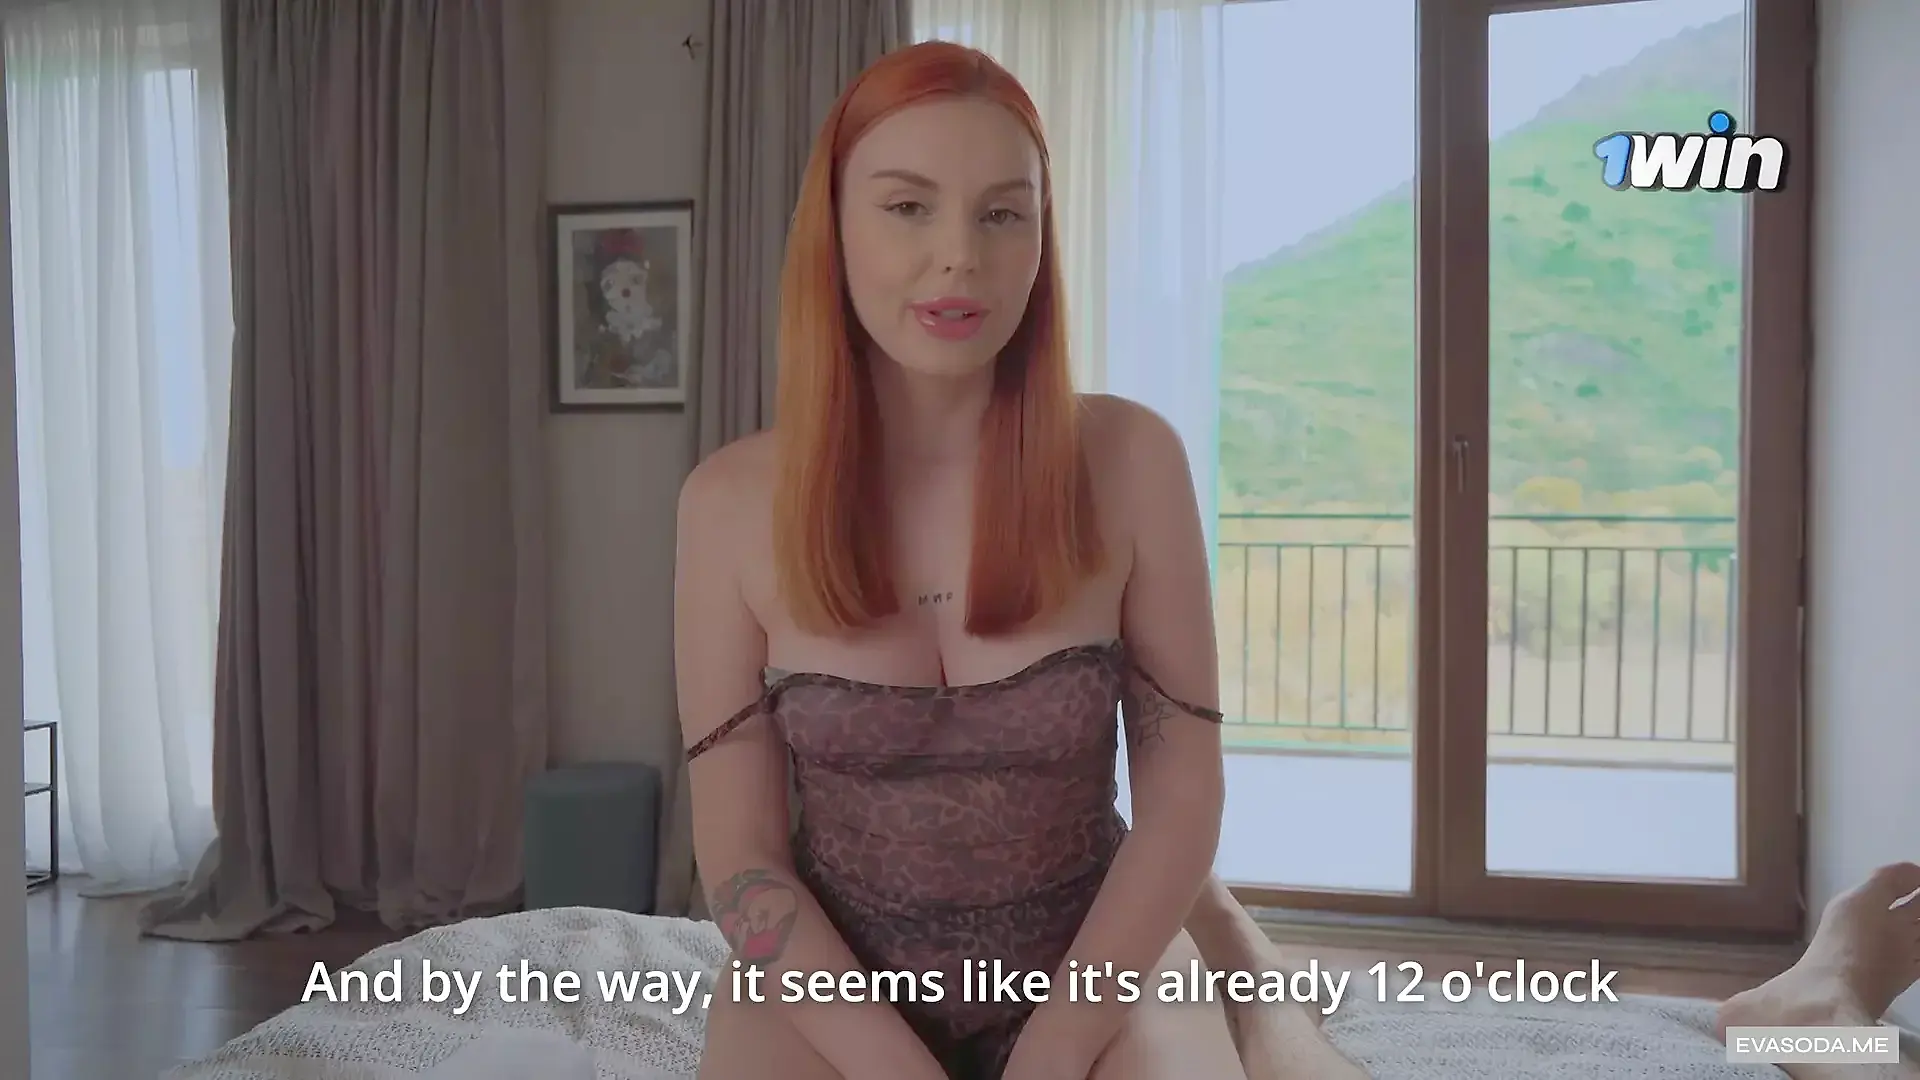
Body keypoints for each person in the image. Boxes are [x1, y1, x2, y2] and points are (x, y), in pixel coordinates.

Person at [674, 38, 1920, 1080]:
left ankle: (1812, 997)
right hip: (825, 991)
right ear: (832, 228)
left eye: (1005, 213)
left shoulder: (1129, 458)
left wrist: (1047, 1061)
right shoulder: (728, 504)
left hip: (1095, 967)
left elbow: (1181, 802)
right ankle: (1257, 968)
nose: (961, 255)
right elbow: (742, 860)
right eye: (908, 207)